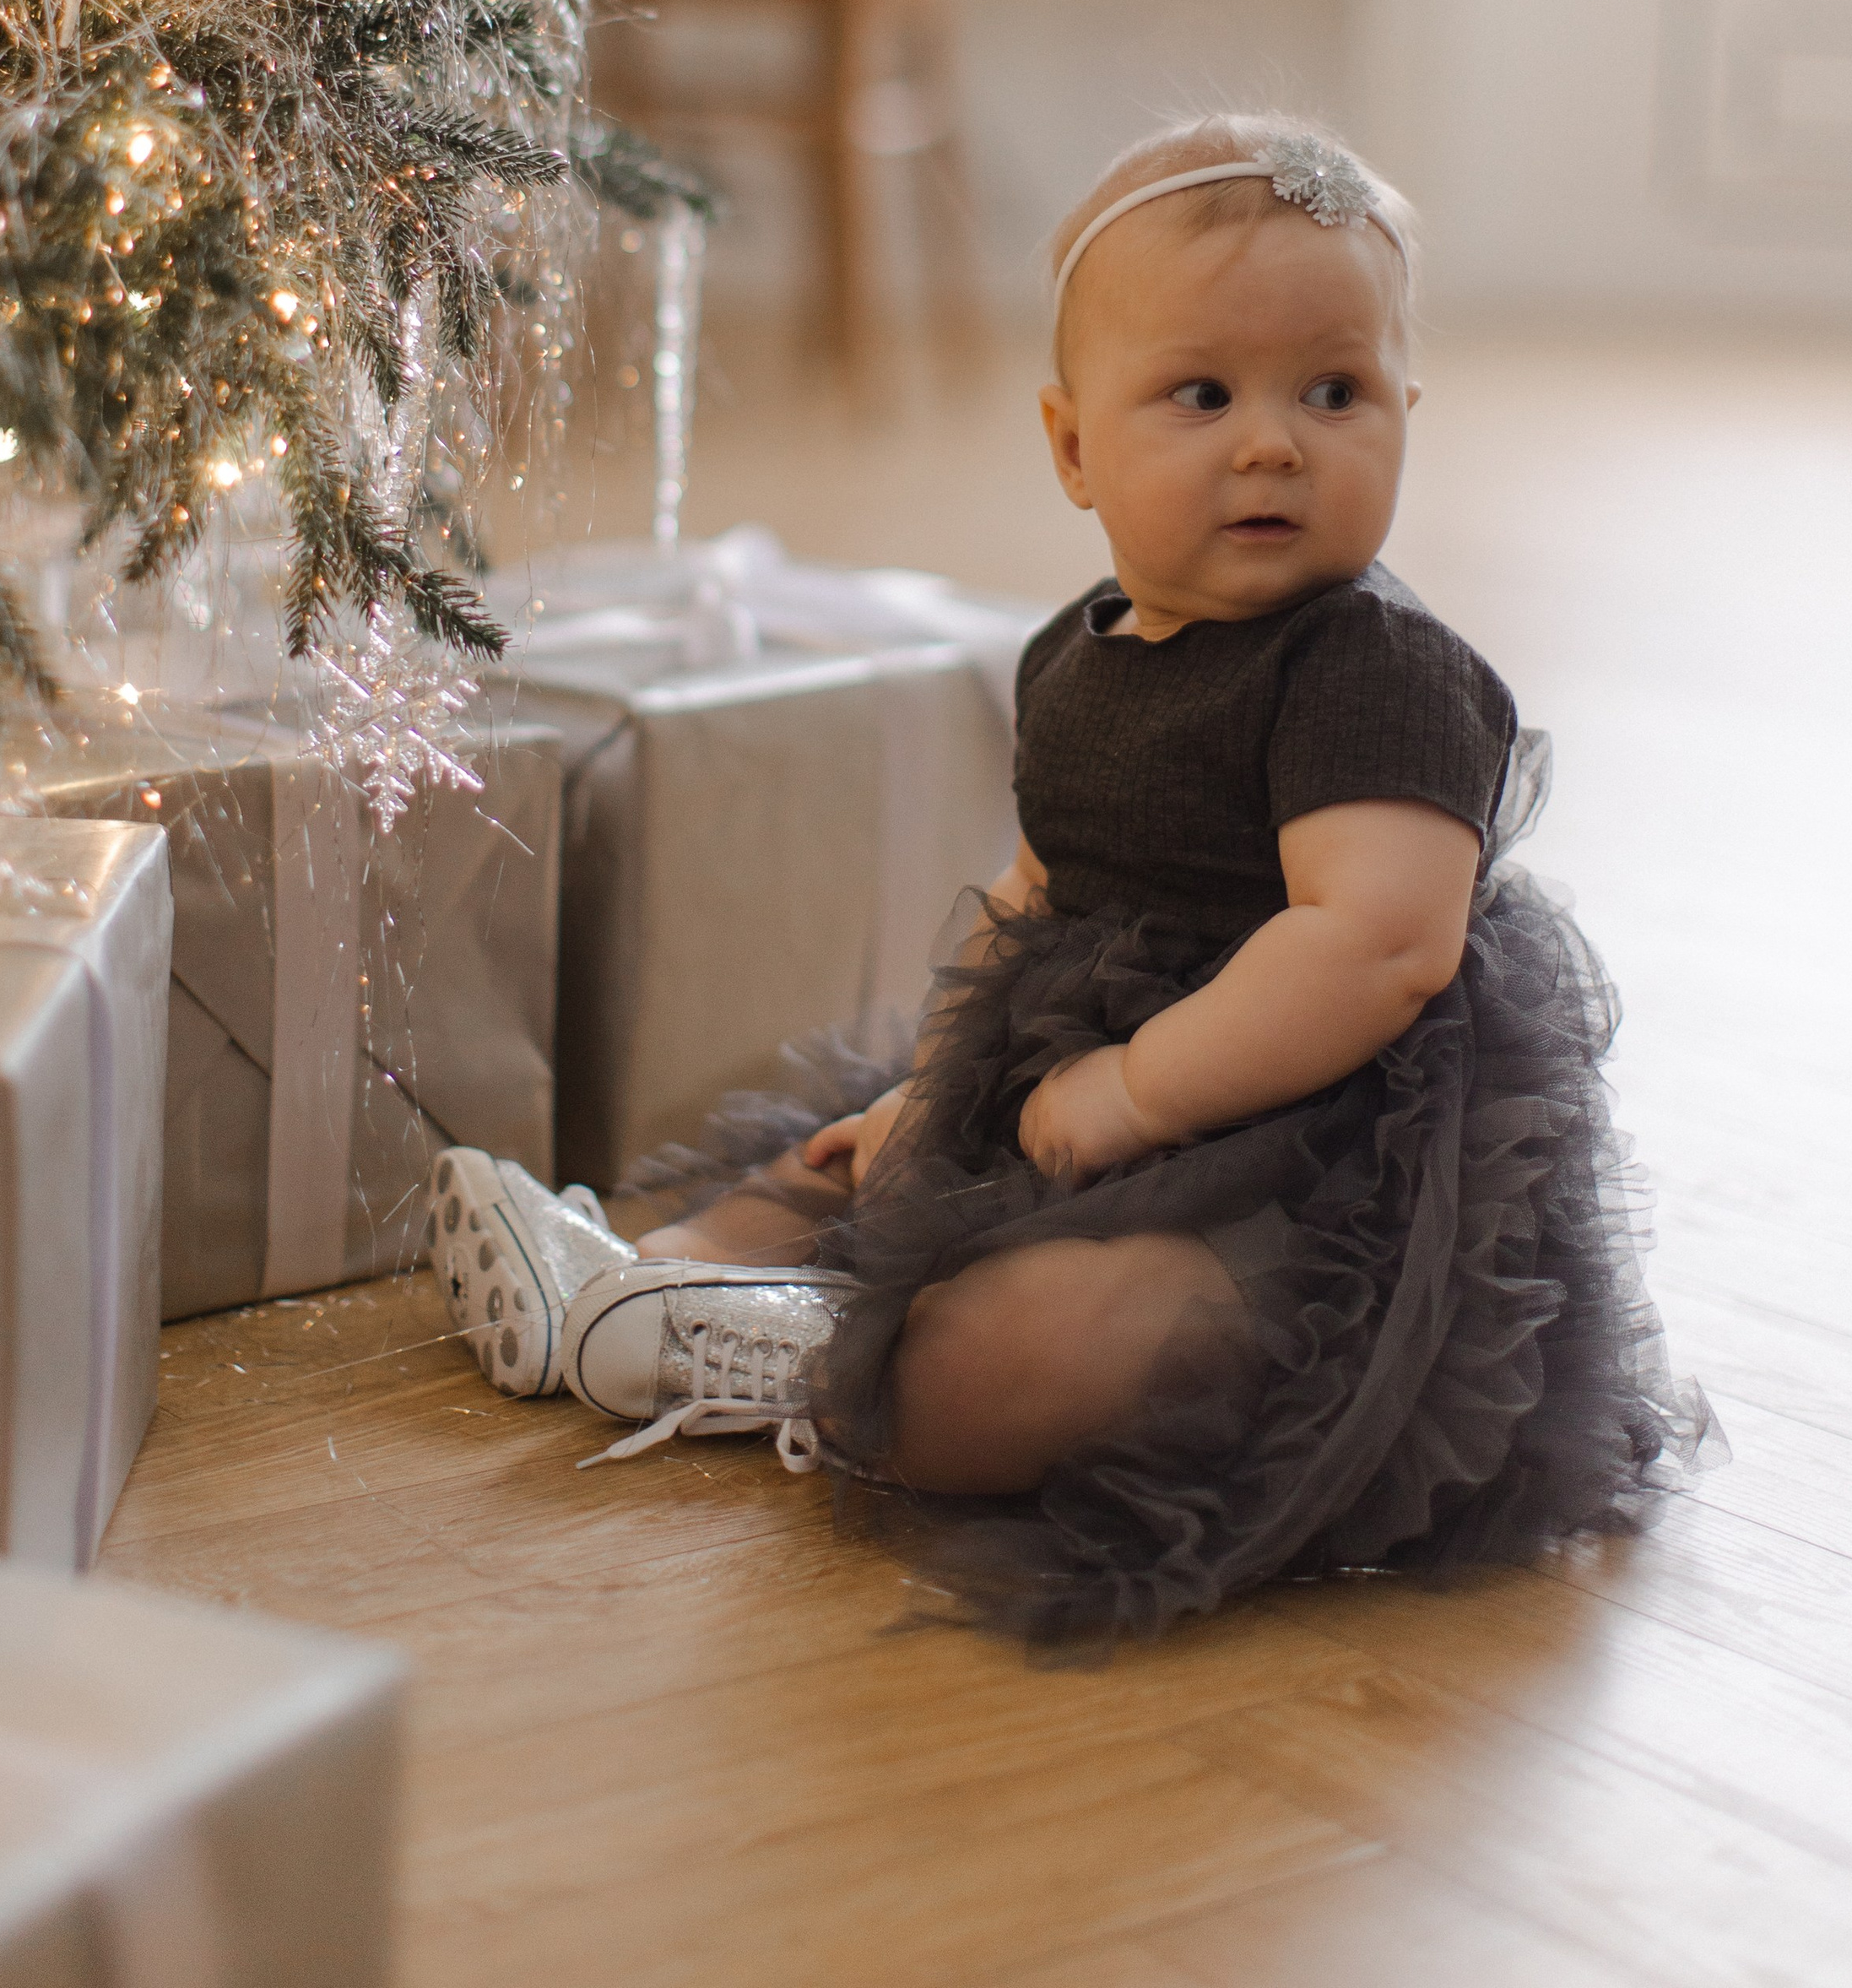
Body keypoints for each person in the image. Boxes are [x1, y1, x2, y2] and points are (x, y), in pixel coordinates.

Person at [426, 113, 1705, 1643]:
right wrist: (941, 1089)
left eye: (1336, 391)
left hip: (1309, 1157)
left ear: (1405, 412)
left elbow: (1378, 948)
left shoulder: (1380, 673)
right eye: (1202, 394)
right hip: (1086, 1077)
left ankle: (791, 1361)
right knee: (841, 1156)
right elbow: (1036, 900)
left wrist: (1143, 1093)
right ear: (1074, 446)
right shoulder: (1073, 655)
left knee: (1008, 1359)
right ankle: (641, 1281)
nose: (1273, 440)